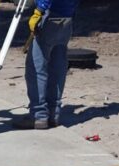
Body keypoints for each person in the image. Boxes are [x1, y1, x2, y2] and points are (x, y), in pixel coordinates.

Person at [14, 0, 79, 129]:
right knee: (57, 66)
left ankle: (38, 115)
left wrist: (39, 10)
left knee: (36, 68)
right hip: (66, 16)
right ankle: (53, 113)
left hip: (50, 16)